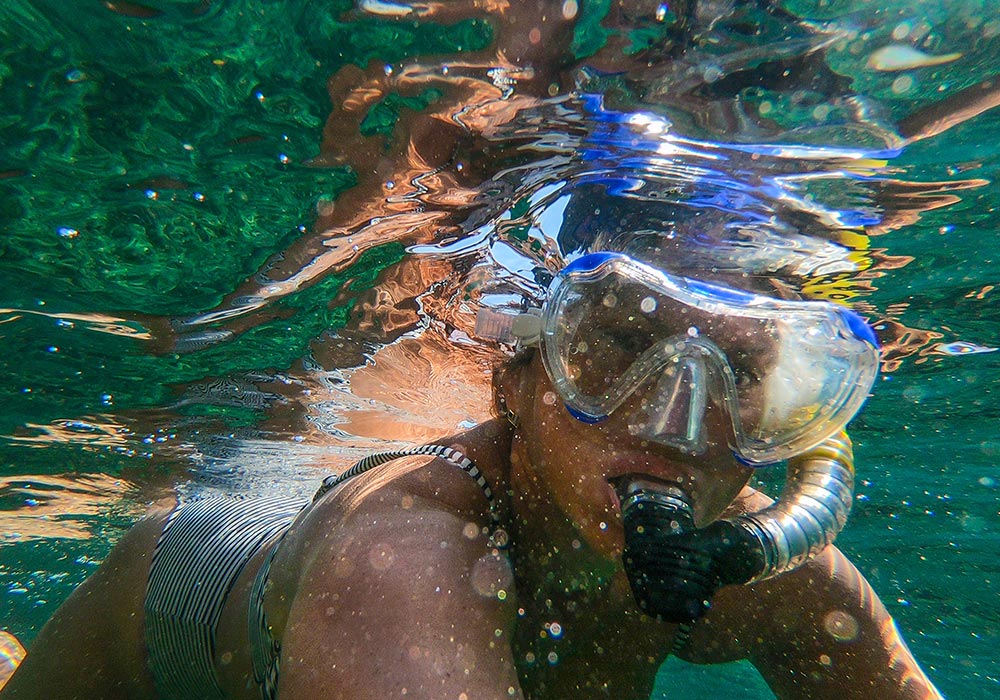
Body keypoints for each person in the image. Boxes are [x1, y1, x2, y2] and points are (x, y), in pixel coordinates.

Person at [1, 249, 945, 700]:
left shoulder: (759, 566)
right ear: (516, 377)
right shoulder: (406, 552)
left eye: (739, 374)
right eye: (619, 345)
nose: (675, 423)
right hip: (180, 603)